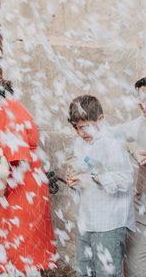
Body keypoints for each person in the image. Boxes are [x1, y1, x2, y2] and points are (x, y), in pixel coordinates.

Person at [0, 80, 55, 276]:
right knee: (13, 246)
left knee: (22, 249)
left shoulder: (7, 108)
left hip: (23, 189)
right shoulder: (5, 110)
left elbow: (13, 149)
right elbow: (1, 154)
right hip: (15, 188)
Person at [66, 95, 136, 277]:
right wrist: (75, 180)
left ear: (101, 119)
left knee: (107, 273)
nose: (81, 133)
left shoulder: (112, 143)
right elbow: (84, 171)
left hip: (109, 222)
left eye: (85, 127)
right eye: (76, 128)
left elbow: (126, 178)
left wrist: (93, 177)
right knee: (84, 272)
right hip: (87, 220)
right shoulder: (81, 143)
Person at [125, 77, 146, 277]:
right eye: (140, 98)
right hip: (142, 212)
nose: (142, 103)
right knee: (134, 268)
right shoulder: (135, 126)